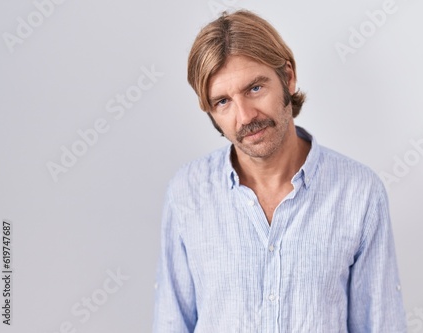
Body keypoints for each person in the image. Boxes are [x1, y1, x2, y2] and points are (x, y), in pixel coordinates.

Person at [153, 10, 407, 333]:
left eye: (255, 88)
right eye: (223, 102)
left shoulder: (359, 193)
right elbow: (171, 323)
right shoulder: (186, 194)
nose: (245, 116)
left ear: (288, 77)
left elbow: (381, 325)